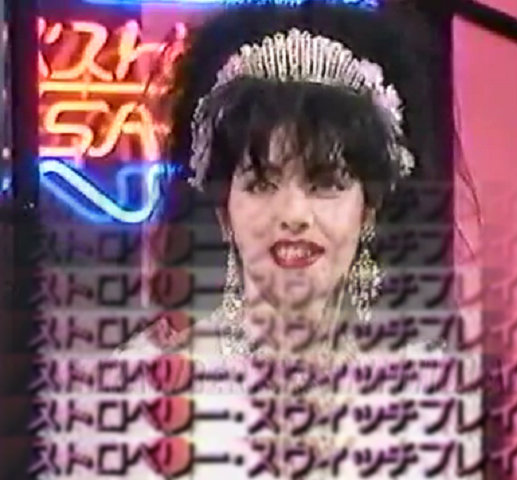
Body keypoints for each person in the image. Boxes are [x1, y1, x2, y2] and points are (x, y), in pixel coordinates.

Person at [41, 2, 483, 479]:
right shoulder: (137, 388)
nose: (292, 215)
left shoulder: (430, 393)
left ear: (369, 208)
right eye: (261, 184)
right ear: (223, 209)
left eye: (325, 184)